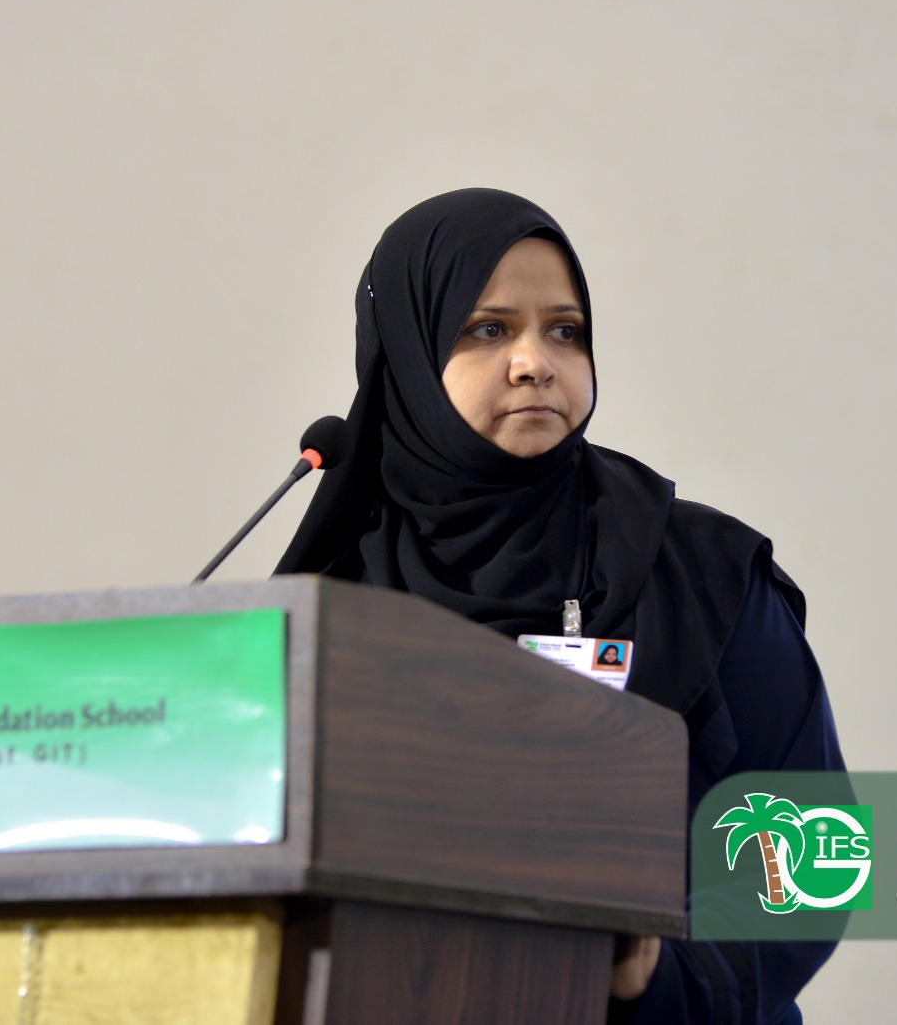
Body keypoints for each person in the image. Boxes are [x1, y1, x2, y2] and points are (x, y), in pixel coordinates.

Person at [276, 188, 844, 1023]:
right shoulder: (336, 607)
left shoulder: (701, 573)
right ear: (407, 351)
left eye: (565, 331)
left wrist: (658, 971)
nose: (535, 361)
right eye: (488, 329)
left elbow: (816, 857)